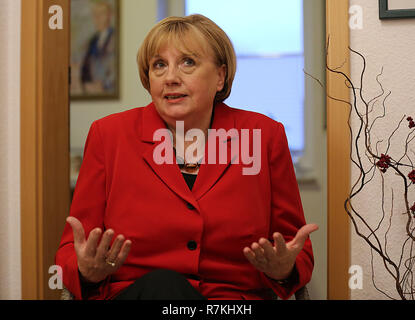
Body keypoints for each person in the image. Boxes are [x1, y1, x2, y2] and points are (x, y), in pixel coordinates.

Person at [55, 14, 318, 300]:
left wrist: (283, 268)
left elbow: (297, 248)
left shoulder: (264, 135)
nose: (170, 78)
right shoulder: (109, 135)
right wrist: (86, 271)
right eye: (159, 65)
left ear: (220, 76)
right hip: (140, 295)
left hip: (232, 302)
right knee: (164, 288)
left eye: (188, 62)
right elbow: (72, 250)